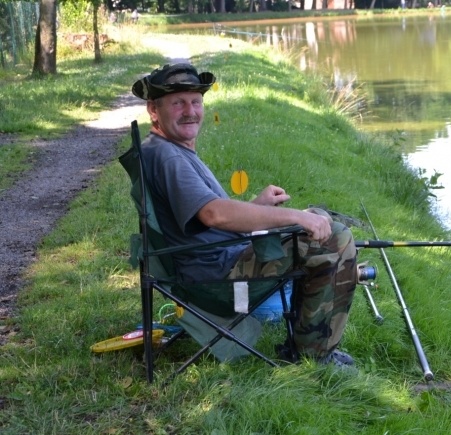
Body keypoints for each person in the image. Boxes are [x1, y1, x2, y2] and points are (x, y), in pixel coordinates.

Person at [131, 63, 358, 367]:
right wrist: (297, 218)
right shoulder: (169, 156)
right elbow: (214, 215)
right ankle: (315, 355)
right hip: (214, 278)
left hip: (209, 261)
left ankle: (308, 342)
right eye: (178, 103)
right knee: (335, 238)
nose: (190, 111)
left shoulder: (165, 148)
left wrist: (257, 205)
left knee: (319, 220)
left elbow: (204, 220)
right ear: (154, 110)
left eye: (195, 102)